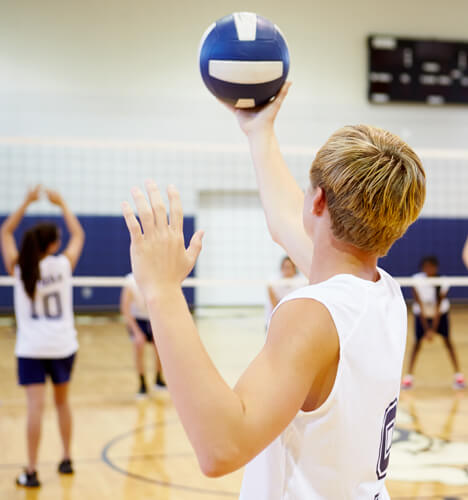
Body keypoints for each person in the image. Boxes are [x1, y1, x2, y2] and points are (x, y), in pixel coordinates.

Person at [121, 82, 426, 499]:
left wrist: (162, 291)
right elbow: (286, 221)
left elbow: (221, 448)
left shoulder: (312, 314)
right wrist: (259, 131)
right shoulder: (383, 293)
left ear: (317, 201)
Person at [0, 186, 84, 488]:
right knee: (62, 403)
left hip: (32, 348)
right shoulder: (62, 266)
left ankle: (32, 471)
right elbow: (79, 235)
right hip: (62, 345)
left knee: (35, 408)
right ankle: (66, 458)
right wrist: (62, 203)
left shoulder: (20, 267)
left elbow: (5, 232)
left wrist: (26, 202)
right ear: (52, 244)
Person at [402, 257, 464, 390]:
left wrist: (432, 329)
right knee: (416, 345)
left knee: (448, 343)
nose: (429, 270)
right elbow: (418, 303)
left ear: (436, 268)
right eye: (426, 267)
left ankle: (459, 376)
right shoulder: (417, 280)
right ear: (423, 268)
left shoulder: (442, 281)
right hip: (422, 316)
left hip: (440, 316)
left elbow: (438, 307)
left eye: (431, 267)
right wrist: (426, 329)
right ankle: (408, 378)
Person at [120, 272, 166, 398]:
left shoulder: (158, 278)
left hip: (153, 318)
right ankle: (142, 383)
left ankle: (158, 378)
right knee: (138, 344)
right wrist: (136, 332)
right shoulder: (131, 281)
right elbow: (125, 308)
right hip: (137, 319)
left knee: (160, 347)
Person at [265, 256, 300, 323]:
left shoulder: (300, 283)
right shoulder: (274, 281)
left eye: (288, 267)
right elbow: (274, 302)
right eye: (284, 267)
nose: (286, 270)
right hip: (276, 318)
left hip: (293, 319)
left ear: (294, 268)